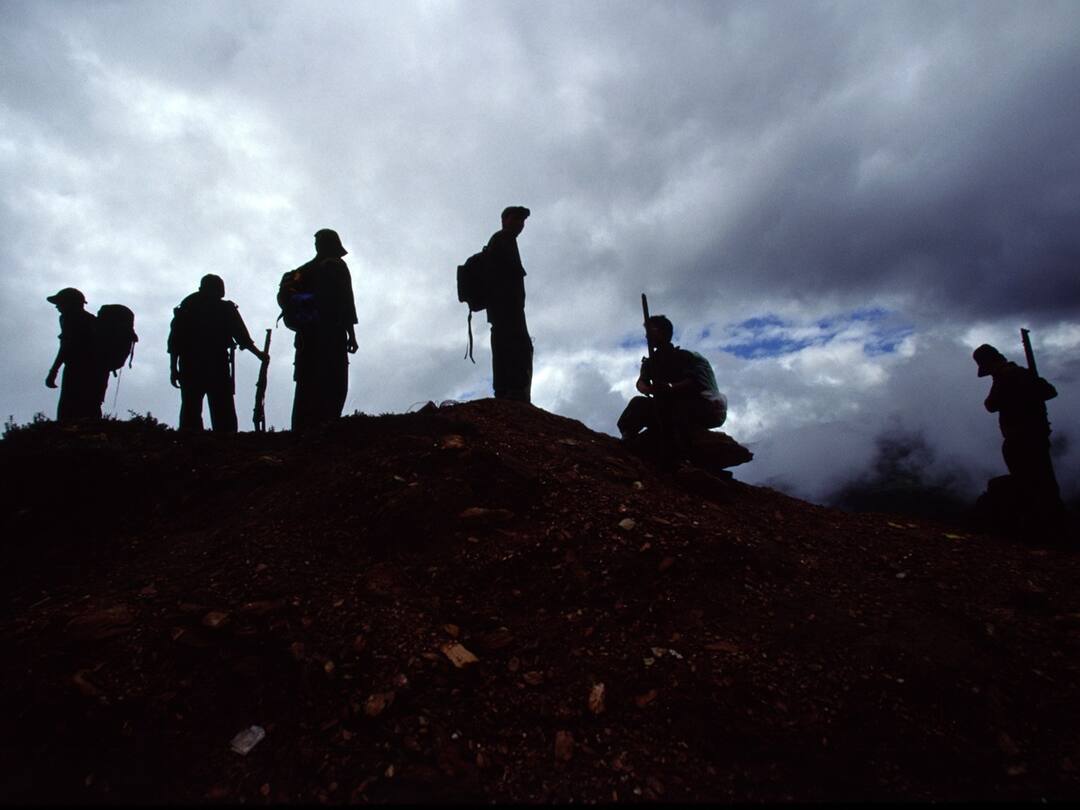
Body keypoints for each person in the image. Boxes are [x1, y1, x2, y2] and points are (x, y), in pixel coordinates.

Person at [973, 343, 1066, 534]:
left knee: (1027, 482)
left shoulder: (1005, 377)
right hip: (1037, 437)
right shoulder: (1020, 374)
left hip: (1020, 439)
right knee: (1043, 481)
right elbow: (1049, 391)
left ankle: (1035, 527)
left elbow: (991, 405)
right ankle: (1049, 524)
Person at [168, 274, 268, 432]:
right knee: (216, 410)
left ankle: (194, 443)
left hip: (193, 364)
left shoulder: (188, 307)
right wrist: (258, 354)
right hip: (211, 364)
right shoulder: (221, 309)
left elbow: (174, 342)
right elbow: (242, 336)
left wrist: (173, 368)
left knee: (198, 409)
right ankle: (214, 444)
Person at [618, 314, 727, 458]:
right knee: (638, 404)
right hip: (664, 406)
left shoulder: (684, 357)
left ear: (662, 332)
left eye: (651, 331)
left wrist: (671, 387)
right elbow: (641, 382)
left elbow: (693, 382)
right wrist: (647, 388)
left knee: (677, 411)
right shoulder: (650, 363)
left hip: (696, 406)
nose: (647, 337)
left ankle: (682, 457)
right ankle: (628, 438)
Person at [289, 229, 358, 431]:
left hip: (307, 337)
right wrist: (351, 334)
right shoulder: (337, 266)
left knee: (306, 384)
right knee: (334, 380)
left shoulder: (302, 271)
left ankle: (301, 429)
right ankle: (328, 426)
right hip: (331, 333)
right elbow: (346, 300)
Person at [485, 206, 533, 403]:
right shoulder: (502, 239)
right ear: (504, 220)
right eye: (516, 219)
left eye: (522, 221)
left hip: (505, 307)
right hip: (506, 307)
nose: (520, 224)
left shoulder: (504, 240)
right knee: (516, 345)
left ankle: (507, 390)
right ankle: (513, 391)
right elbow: (504, 275)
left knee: (507, 344)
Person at [45, 287, 110, 421]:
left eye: (60, 302)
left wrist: (54, 371)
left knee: (68, 411)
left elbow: (66, 346)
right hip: (97, 372)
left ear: (70, 303)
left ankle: (71, 440)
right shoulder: (92, 320)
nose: (57, 306)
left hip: (78, 369)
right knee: (90, 409)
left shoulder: (70, 318)